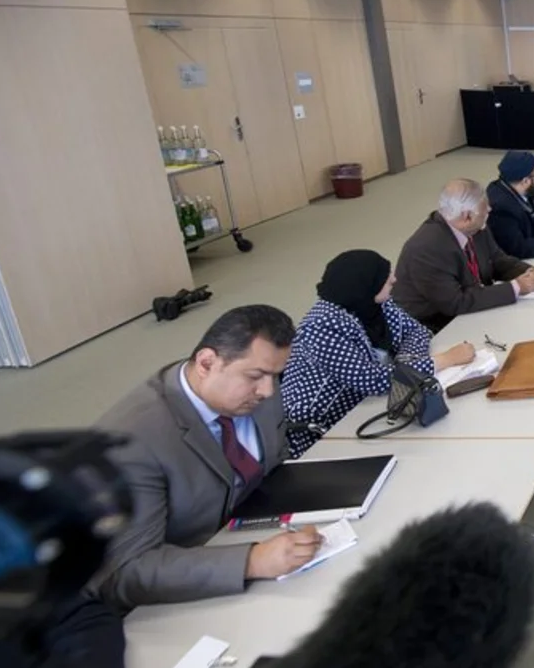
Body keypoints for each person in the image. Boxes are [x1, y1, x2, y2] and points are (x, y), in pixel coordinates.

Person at [90, 306, 322, 610]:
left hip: (254, 541)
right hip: (177, 595)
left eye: (276, 376)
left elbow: (273, 468)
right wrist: (250, 561)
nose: (268, 390)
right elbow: (126, 571)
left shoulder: (254, 393)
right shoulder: (132, 442)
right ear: (206, 362)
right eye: (256, 376)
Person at [281, 250, 476, 456]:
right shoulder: (322, 327)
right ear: (367, 284)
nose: (394, 279)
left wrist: (405, 363)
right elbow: (372, 380)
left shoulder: (375, 303)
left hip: (368, 406)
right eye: (386, 277)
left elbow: (417, 331)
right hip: (322, 427)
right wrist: (444, 360)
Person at [391, 179, 534, 332]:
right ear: (467, 216)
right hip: (434, 325)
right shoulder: (426, 248)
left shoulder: (476, 227)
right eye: (485, 209)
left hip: (470, 308)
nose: (489, 211)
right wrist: (516, 287)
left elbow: (497, 260)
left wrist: (530, 272)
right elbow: (455, 302)